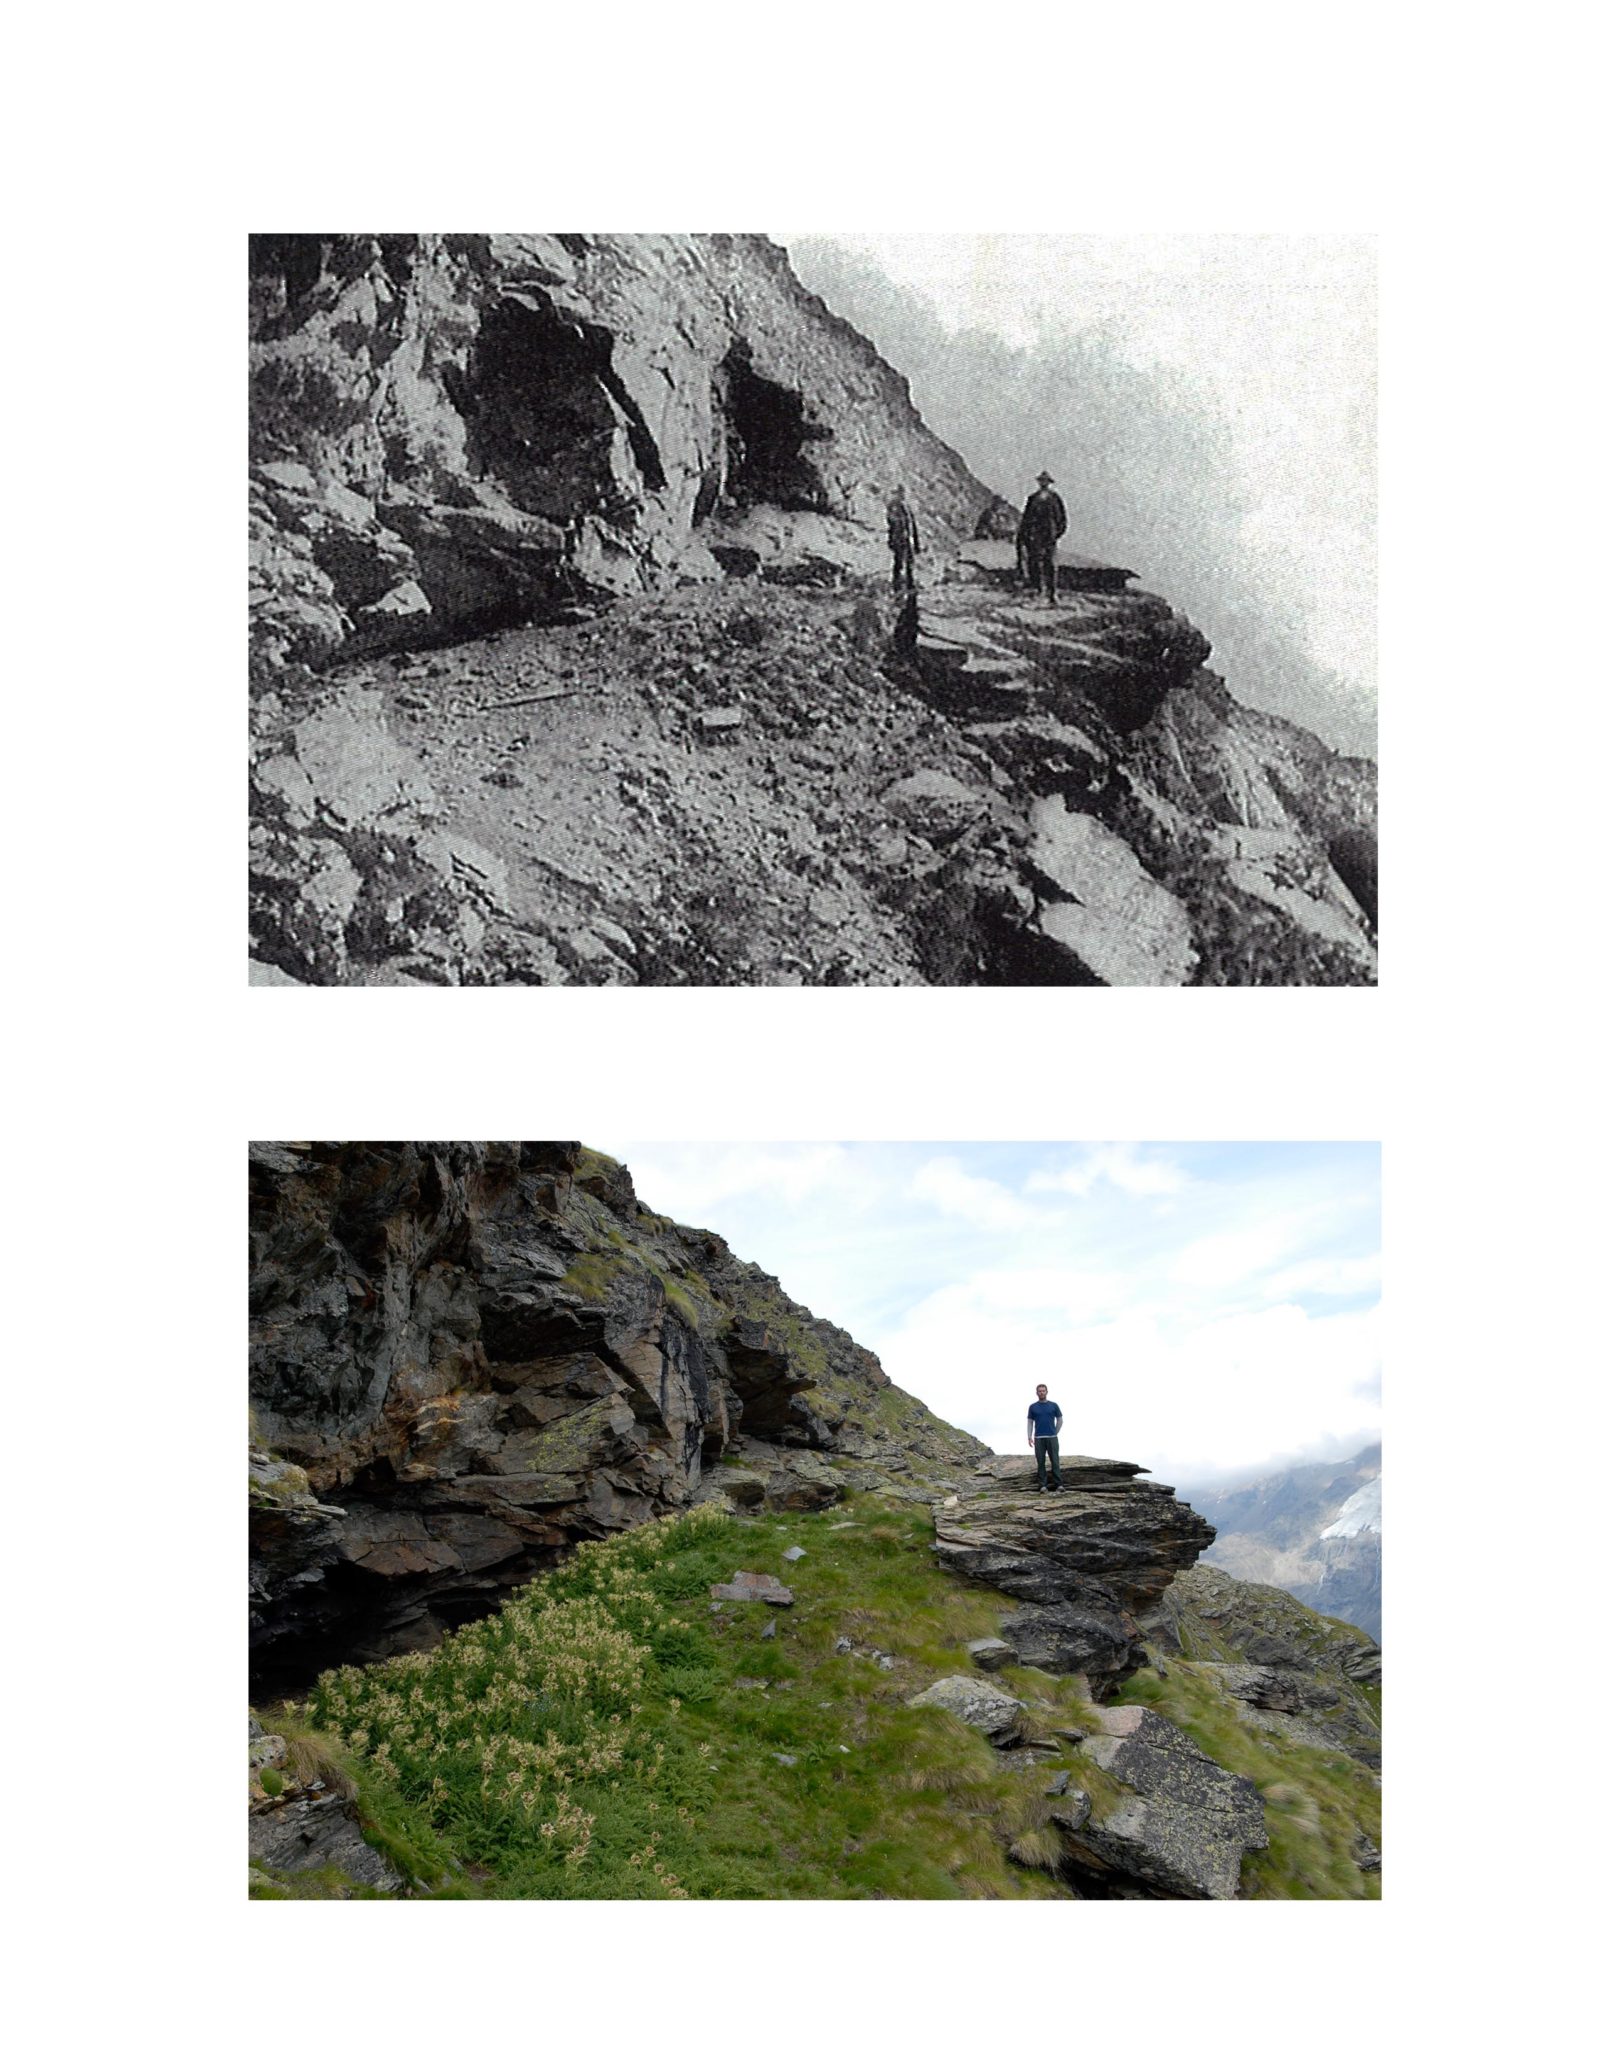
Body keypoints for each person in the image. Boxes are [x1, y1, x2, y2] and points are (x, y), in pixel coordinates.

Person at [1017, 471, 1068, 603]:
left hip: (1049, 536)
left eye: (1046, 481)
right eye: (1041, 481)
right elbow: (1026, 518)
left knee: (1050, 563)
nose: (1043, 483)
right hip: (1035, 536)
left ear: (1049, 483)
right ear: (1038, 482)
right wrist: (1025, 535)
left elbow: (1062, 519)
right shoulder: (1032, 498)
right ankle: (1039, 590)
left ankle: (1052, 594)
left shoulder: (1055, 498)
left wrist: (1056, 533)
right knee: (1034, 563)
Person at [1026, 1383, 1063, 1491]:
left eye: (1043, 1391)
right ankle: (1042, 1485)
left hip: (1052, 1437)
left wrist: (1055, 1432)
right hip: (1039, 1438)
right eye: (1040, 1391)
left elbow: (1060, 1420)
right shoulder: (1033, 1407)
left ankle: (1059, 1484)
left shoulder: (1054, 1405)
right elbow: (1030, 1423)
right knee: (1040, 1462)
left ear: (1047, 1392)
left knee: (1055, 1461)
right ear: (1037, 1393)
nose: (1041, 1392)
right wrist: (1029, 1437)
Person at [887, 484, 920, 593]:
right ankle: (897, 586)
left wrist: (916, 542)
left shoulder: (907, 507)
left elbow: (913, 525)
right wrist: (893, 539)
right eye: (900, 493)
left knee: (910, 562)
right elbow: (892, 523)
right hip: (898, 538)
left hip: (908, 538)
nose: (902, 495)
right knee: (899, 562)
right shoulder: (893, 506)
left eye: (903, 492)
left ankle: (910, 584)